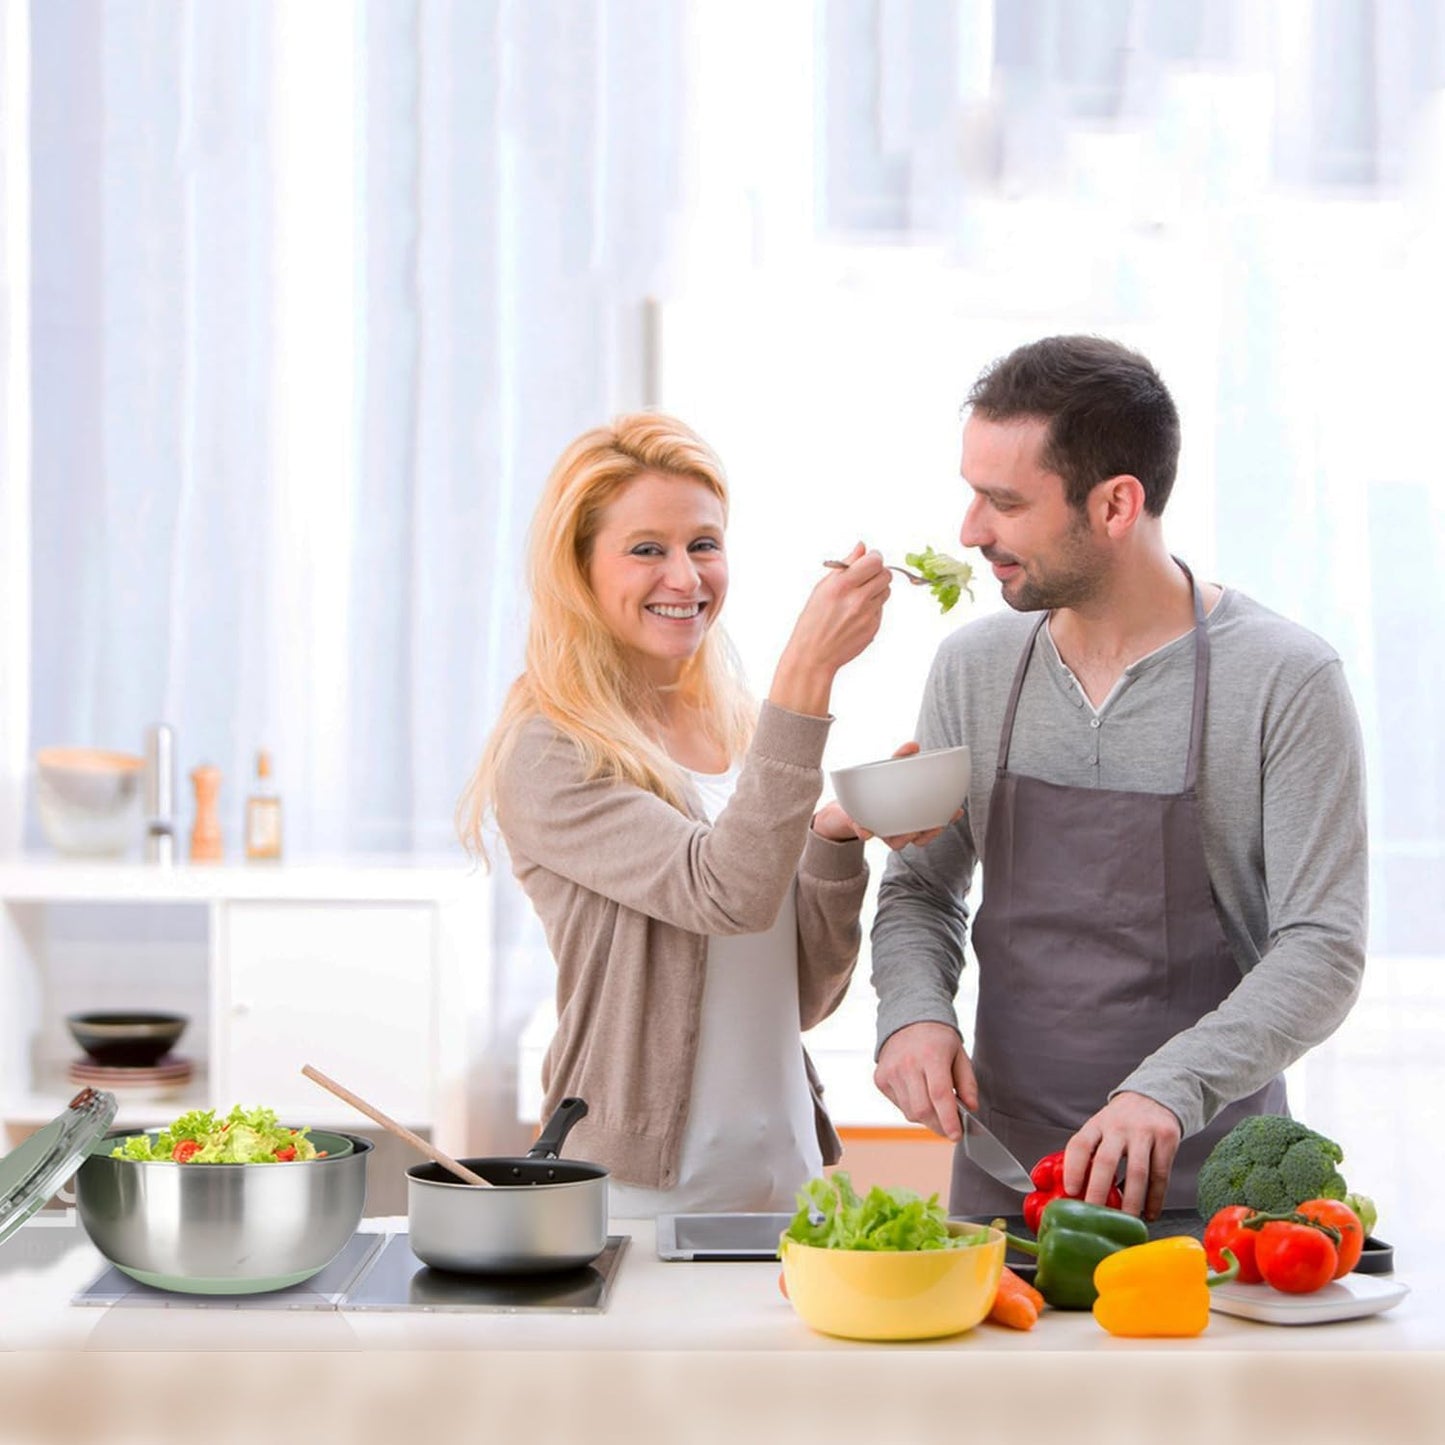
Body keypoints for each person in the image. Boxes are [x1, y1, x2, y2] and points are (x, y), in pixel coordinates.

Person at [871, 335, 1368, 1220]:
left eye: (1003, 501)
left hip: (1218, 1189)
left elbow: (1322, 948)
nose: (969, 530)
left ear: (1115, 505)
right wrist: (913, 1010)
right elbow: (920, 888)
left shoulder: (1285, 681)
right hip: (1009, 1179)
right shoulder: (973, 667)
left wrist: (1168, 1088)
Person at [459, 411, 900, 1217]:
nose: (685, 577)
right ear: (578, 569)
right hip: (642, 1189)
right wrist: (806, 671)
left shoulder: (736, 728)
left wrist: (832, 842)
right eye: (645, 549)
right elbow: (722, 890)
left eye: (703, 543)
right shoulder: (550, 750)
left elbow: (798, 997)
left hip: (787, 1170)